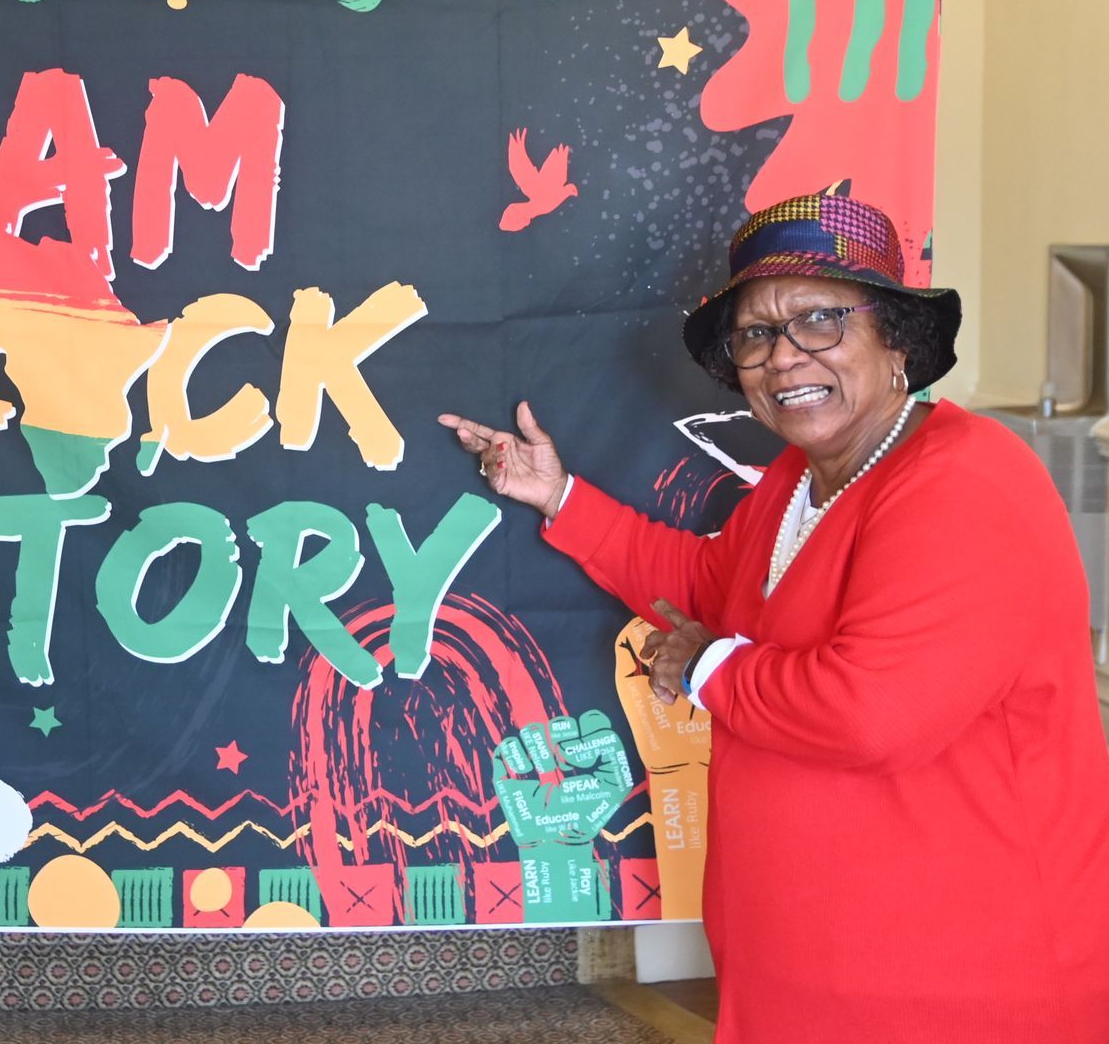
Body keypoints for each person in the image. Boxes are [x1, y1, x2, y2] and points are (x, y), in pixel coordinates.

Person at [440, 191, 1109, 1042]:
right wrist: (558, 496)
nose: (785, 356)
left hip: (957, 987)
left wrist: (706, 665)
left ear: (897, 338)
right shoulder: (800, 480)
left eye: (821, 320)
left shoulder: (966, 482)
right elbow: (705, 583)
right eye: (756, 334)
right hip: (805, 975)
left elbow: (872, 713)